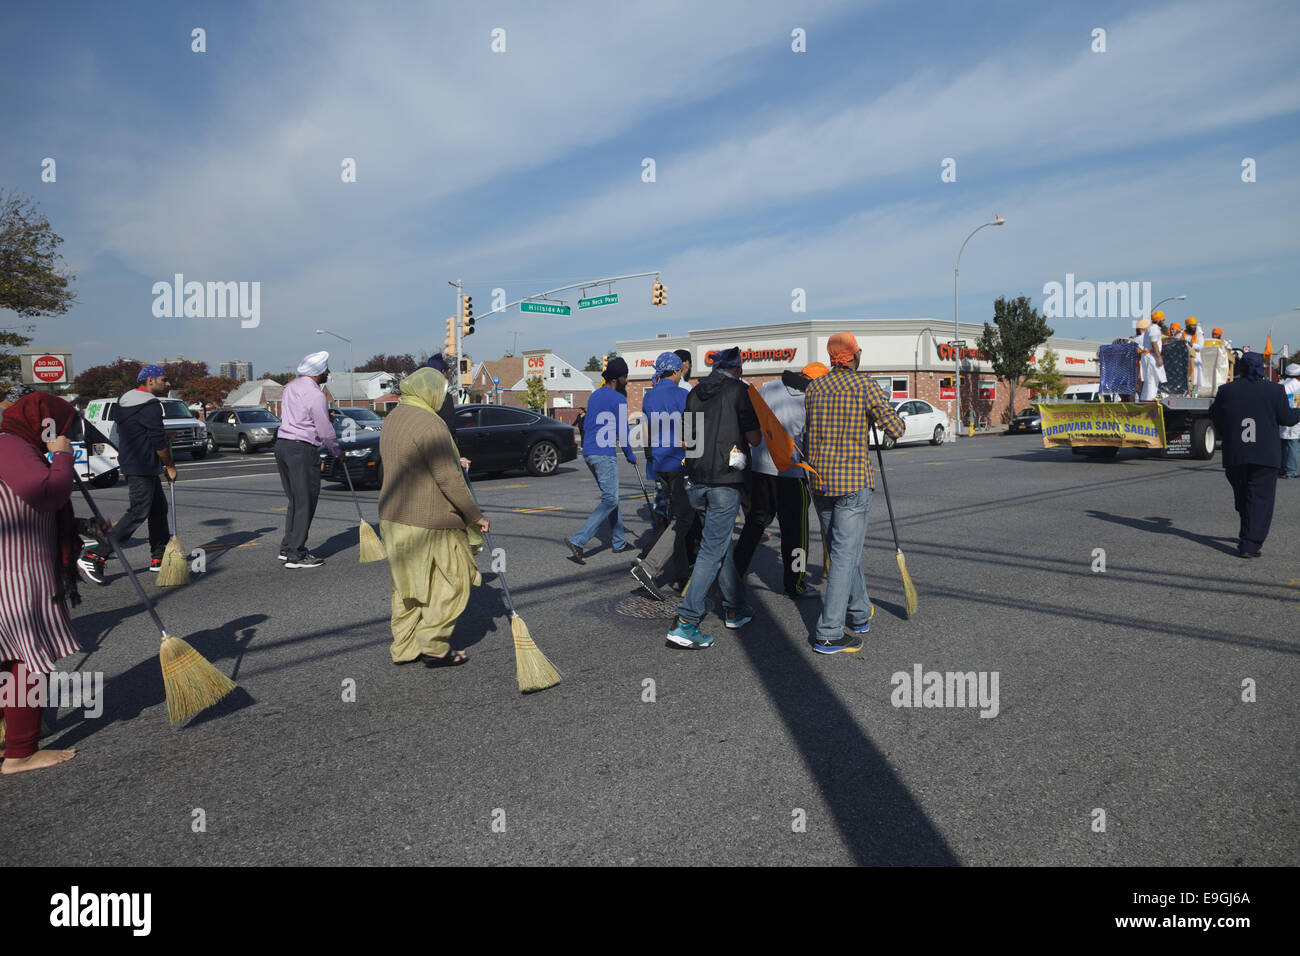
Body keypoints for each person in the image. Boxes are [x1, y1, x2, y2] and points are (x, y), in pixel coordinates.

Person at [0, 393, 109, 773]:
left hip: (13, 566)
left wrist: (81, 527)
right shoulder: (9, 445)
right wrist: (63, 456)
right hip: (16, 574)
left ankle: (15, 729)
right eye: (63, 427)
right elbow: (44, 492)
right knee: (29, 660)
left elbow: (28, 510)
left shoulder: (14, 445)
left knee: (10, 658)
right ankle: (20, 752)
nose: (65, 433)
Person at [379, 368, 489, 667]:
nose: (442, 397)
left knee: (408, 588)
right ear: (430, 392)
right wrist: (474, 515)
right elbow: (447, 478)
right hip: (431, 519)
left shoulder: (393, 418)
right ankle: (434, 644)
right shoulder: (431, 423)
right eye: (440, 390)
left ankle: (404, 648)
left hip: (393, 516)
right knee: (456, 580)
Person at [803, 333, 905, 653]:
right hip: (852, 483)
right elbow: (896, 429)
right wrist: (876, 412)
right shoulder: (865, 386)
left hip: (820, 483)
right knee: (846, 555)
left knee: (842, 552)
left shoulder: (814, 388)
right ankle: (830, 631)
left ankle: (860, 613)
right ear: (853, 356)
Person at [666, 347, 761, 649]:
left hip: (696, 480)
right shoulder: (739, 392)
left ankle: (734, 607)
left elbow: (688, 441)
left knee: (719, 547)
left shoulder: (694, 393)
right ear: (738, 369)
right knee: (712, 549)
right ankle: (687, 620)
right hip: (725, 481)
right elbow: (755, 438)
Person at [734, 362, 829, 601]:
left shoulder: (770, 387)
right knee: (795, 532)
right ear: (816, 382)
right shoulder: (811, 400)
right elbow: (811, 443)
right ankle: (794, 584)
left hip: (760, 469)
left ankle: (734, 573)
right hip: (791, 474)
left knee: (755, 523)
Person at [1208, 351, 1300, 557]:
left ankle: (1245, 533)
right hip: (1265, 454)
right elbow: (1287, 418)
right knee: (1260, 500)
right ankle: (1249, 544)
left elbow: (1214, 415)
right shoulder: (1274, 390)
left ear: (1240, 368)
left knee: (1244, 497)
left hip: (1235, 454)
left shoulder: (1227, 390)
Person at [630, 352, 691, 599]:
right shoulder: (683, 395)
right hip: (679, 462)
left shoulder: (650, 396)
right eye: (681, 372)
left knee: (676, 517)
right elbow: (692, 431)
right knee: (683, 519)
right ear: (676, 371)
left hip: (660, 463)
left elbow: (648, 433)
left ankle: (682, 575)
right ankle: (649, 567)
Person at [565, 357, 637, 563]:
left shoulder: (594, 396)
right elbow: (623, 432)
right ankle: (578, 540)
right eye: (625, 376)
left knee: (611, 496)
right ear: (617, 378)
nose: (627, 380)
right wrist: (631, 455)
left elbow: (587, 425)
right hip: (604, 454)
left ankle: (619, 542)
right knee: (610, 499)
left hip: (589, 451)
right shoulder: (619, 400)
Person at [275, 351, 341, 568]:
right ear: (318, 372)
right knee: (306, 501)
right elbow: (325, 431)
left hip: (283, 444)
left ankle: (288, 547)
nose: (328, 373)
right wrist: (337, 452)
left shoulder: (291, 387)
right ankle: (297, 554)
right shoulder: (316, 395)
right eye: (326, 369)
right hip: (301, 449)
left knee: (295, 500)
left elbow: (295, 416)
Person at [108, 364, 176, 573]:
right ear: (150, 381)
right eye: (164, 380)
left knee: (158, 510)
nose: (168, 383)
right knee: (138, 511)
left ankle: (159, 556)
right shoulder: (150, 405)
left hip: (134, 461)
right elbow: (156, 440)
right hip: (142, 464)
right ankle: (98, 553)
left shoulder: (123, 401)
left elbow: (132, 433)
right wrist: (169, 465)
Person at [1136, 313, 1164, 401]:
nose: (1164, 322)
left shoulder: (1152, 329)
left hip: (1150, 356)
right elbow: (1154, 343)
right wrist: (1159, 357)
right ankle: (1150, 399)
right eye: (1163, 320)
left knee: (1151, 379)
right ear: (1159, 320)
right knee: (1152, 379)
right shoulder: (1154, 329)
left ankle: (1146, 398)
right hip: (1152, 357)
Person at [1280, 363, 1300, 479]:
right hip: (1294, 418)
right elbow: (1298, 405)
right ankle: (1291, 471)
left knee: (1284, 445)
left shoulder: (1282, 385)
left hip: (1282, 418)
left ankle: (1283, 469)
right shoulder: (1297, 386)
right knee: (1292, 445)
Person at [1184, 317, 1205, 396]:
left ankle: (1194, 394)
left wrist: (1191, 345)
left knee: (1195, 378)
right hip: (1184, 360)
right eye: (1192, 325)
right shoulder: (1182, 335)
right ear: (1187, 326)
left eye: (1195, 325)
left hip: (1195, 360)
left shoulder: (1199, 335)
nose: (1194, 327)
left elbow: (1200, 347)